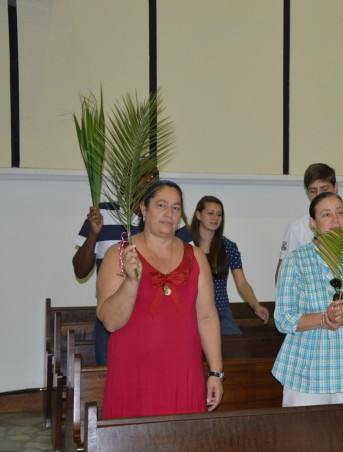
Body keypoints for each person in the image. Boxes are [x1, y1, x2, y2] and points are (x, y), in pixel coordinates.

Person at [96, 180, 223, 418]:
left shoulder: (196, 257)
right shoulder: (120, 255)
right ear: (144, 209)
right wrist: (131, 282)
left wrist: (216, 372)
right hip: (133, 375)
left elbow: (207, 316)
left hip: (184, 374)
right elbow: (110, 322)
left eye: (176, 208)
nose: (169, 213)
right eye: (161, 205)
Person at [272, 192, 343, 407]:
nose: (336, 219)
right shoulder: (296, 261)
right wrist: (324, 318)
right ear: (313, 223)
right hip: (306, 376)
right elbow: (284, 319)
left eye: (340, 213)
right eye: (326, 214)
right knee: (305, 440)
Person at [73, 164, 191, 366]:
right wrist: (93, 234)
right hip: (113, 316)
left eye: (154, 175)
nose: (149, 180)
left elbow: (190, 266)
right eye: (142, 175)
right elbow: (80, 270)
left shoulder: (169, 220)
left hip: (158, 318)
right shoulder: (104, 212)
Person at [190, 195, 270, 334]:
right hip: (190, 313)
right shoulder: (185, 246)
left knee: (236, 352)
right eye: (210, 213)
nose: (215, 218)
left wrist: (256, 305)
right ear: (198, 215)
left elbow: (242, 283)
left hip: (221, 313)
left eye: (219, 215)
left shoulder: (228, 247)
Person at [275, 163, 343, 282]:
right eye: (313, 191)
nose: (319, 195)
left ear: (336, 187)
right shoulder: (296, 228)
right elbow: (282, 276)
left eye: (324, 189)